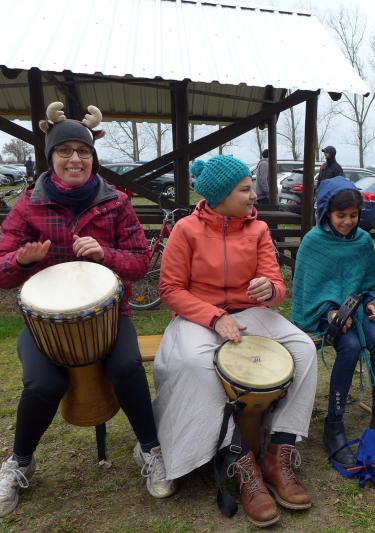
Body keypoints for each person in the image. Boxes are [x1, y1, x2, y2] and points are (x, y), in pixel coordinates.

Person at [0, 102, 175, 519]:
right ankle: (19, 462)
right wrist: (21, 261)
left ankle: (150, 449)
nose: (75, 159)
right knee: (42, 384)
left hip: (110, 319)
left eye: (83, 151)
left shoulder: (116, 203)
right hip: (45, 326)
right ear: (51, 157)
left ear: (93, 157)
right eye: (65, 151)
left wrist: (105, 253)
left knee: (126, 368)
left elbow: (139, 263)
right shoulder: (28, 205)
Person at [153, 155, 317, 528]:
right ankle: (239, 461)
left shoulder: (258, 230)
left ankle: (278, 452)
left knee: (303, 349)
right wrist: (214, 317)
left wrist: (269, 289)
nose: (254, 195)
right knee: (195, 364)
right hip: (198, 315)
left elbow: (276, 285)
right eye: (245, 189)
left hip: (249, 312)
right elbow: (171, 290)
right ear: (221, 195)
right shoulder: (186, 230)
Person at [291, 177, 375, 467]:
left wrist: (373, 302)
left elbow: (371, 281)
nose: (348, 221)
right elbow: (308, 292)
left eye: (354, 215)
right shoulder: (314, 241)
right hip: (325, 316)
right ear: (327, 212)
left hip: (358, 310)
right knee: (349, 347)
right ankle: (334, 425)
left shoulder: (362, 240)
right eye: (341, 215)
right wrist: (331, 313)